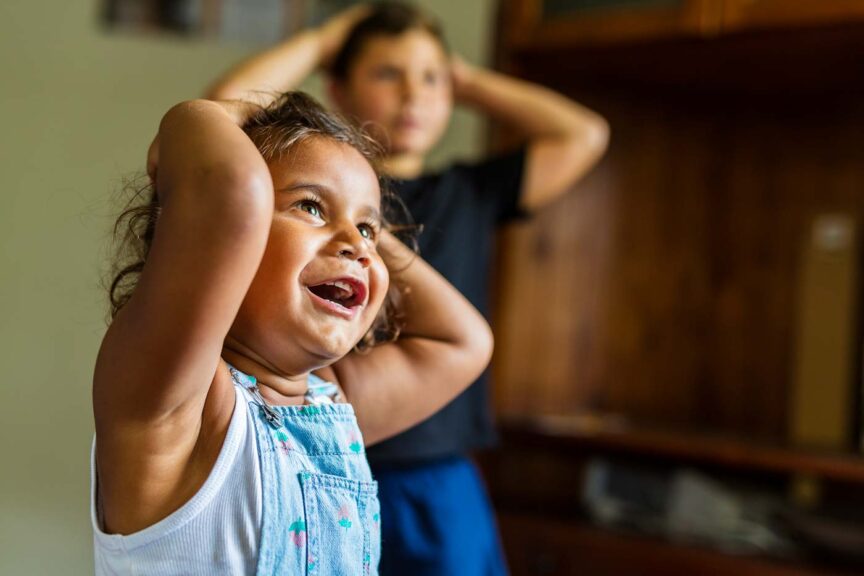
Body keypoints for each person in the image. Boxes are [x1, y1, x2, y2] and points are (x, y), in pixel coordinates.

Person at [208, 3, 609, 573]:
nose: (414, 94)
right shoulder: (326, 191)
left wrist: (464, 79)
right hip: (320, 450)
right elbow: (220, 111)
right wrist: (325, 42)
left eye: (430, 78)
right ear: (338, 89)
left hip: (435, 474)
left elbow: (585, 135)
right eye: (388, 73)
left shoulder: (469, 191)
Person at [91, 92, 493, 575]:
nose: (356, 245)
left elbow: (463, 341)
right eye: (310, 207)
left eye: (368, 228)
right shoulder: (173, 403)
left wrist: (359, 227)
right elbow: (228, 192)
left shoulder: (332, 408)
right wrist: (203, 117)